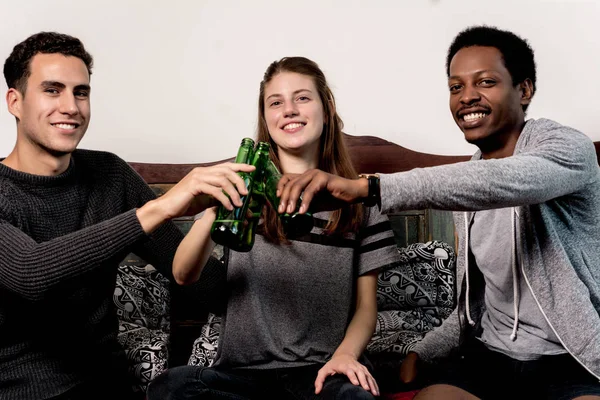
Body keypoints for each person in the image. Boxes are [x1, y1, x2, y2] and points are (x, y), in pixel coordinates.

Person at [275, 26, 600, 399]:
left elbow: (504, 181)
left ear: (524, 90)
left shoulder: (566, 149)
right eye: (455, 87)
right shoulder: (468, 181)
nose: (467, 97)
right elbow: (476, 305)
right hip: (488, 359)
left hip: (570, 362)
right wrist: (421, 351)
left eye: (486, 82)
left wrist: (370, 187)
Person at [0, 32, 254, 400]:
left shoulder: (111, 175)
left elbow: (208, 288)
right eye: (52, 90)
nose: (71, 106)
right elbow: (32, 273)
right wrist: (161, 205)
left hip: (105, 384)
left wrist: (222, 213)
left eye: (81, 92)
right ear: (15, 101)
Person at [147, 56, 402, 400]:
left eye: (302, 98)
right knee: (170, 388)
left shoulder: (359, 199)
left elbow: (366, 307)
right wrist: (216, 209)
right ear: (266, 118)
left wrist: (345, 356)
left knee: (357, 397)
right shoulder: (240, 188)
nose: (289, 110)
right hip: (240, 376)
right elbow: (183, 274)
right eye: (276, 102)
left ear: (326, 109)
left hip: (322, 374)